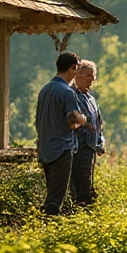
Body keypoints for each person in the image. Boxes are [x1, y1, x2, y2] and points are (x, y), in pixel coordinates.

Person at [35, 52, 86, 216]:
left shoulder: (45, 90)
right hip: (61, 148)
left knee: (51, 191)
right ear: (72, 68)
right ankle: (49, 232)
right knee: (55, 199)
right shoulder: (67, 92)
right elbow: (72, 122)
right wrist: (82, 119)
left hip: (45, 148)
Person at [70, 59, 105, 211]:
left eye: (93, 76)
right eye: (88, 76)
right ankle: (79, 211)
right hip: (78, 147)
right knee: (80, 183)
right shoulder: (71, 96)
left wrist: (100, 142)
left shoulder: (91, 99)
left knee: (88, 180)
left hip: (90, 148)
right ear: (78, 75)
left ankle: (85, 209)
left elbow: (99, 124)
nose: (92, 80)